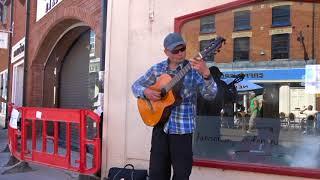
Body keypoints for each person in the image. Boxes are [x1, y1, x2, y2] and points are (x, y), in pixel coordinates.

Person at [131, 32, 217, 180]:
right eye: (175, 51)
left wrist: (206, 74)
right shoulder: (157, 69)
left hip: (182, 130)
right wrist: (146, 92)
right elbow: (135, 86)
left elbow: (211, 94)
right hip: (160, 127)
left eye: (182, 49)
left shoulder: (193, 70)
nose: (180, 53)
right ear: (166, 52)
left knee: (182, 174)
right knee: (157, 174)